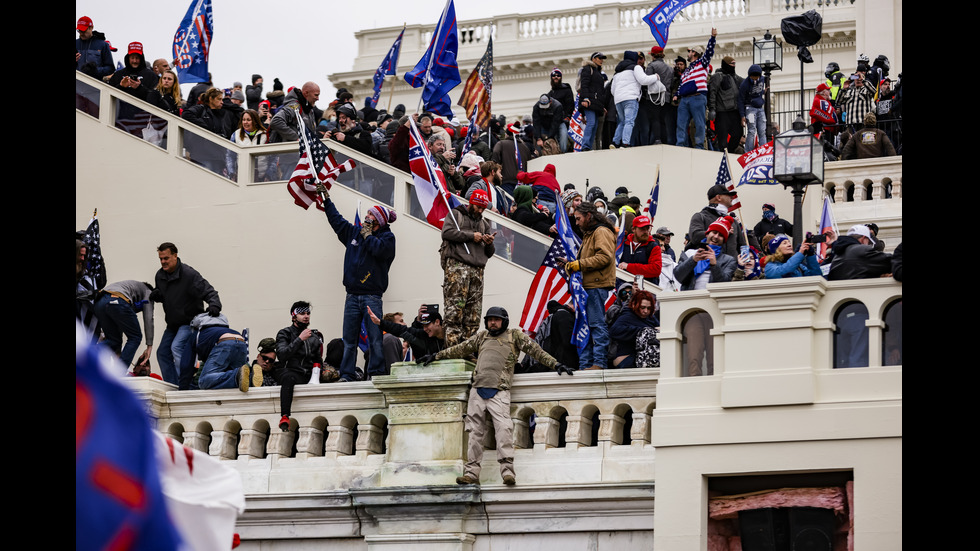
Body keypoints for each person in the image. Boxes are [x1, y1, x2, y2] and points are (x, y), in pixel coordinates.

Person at [418, 307, 574, 486]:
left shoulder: (514, 336)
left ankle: (507, 473)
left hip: (499, 391)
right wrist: (436, 356)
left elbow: (536, 351)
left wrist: (556, 364)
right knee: (474, 434)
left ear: (504, 321)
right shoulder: (482, 337)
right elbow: (460, 349)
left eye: (496, 319)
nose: (492, 323)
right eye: (490, 319)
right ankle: (471, 474)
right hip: (477, 390)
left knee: (503, 431)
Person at [321, 191, 397, 382]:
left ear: (379, 220)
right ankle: (347, 374)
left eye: (371, 214)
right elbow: (337, 221)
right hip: (352, 295)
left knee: (375, 339)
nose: (366, 216)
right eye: (367, 213)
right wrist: (326, 201)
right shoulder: (354, 233)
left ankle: (376, 374)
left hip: (372, 296)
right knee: (349, 340)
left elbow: (380, 251)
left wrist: (368, 236)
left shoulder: (388, 238)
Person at [151, 242, 221, 389]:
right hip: (172, 324)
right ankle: (173, 386)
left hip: (189, 321)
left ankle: (186, 385)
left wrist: (214, 305)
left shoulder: (189, 275)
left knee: (176, 347)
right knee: (162, 353)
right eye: (160, 259)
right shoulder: (160, 275)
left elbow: (209, 291)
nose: (163, 262)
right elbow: (165, 295)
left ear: (175, 256)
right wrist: (158, 295)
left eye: (166, 258)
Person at [559, 202, 616, 370]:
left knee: (596, 325)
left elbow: (604, 257)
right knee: (585, 327)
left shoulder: (601, 231)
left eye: (578, 219)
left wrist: (579, 264)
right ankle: (585, 365)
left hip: (596, 286)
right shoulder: (590, 233)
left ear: (588, 216)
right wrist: (570, 264)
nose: (576, 223)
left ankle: (599, 363)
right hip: (587, 287)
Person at [441, 189, 496, 347]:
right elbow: (447, 233)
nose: (480, 211)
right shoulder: (456, 215)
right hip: (458, 267)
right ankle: (452, 348)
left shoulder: (484, 224)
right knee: (454, 310)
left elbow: (490, 253)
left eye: (483, 209)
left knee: (473, 314)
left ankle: (467, 349)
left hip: (477, 271)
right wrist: (472, 236)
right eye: (478, 207)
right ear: (471, 203)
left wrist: (489, 242)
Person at [275, 302, 326, 431]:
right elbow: (282, 355)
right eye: (302, 313)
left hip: (308, 374)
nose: (306, 316)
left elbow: (317, 360)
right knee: (288, 378)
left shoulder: (314, 337)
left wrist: (319, 371)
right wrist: (299, 339)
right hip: (291, 372)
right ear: (294, 316)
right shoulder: (285, 333)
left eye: (308, 313)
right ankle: (285, 416)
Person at [93, 280, 155, 370]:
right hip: (117, 301)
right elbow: (148, 317)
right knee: (135, 337)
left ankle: (84, 354)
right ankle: (119, 372)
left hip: (99, 303)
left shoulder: (129, 286)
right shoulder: (148, 291)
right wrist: (149, 346)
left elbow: (121, 318)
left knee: (113, 340)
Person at [180, 313, 250, 392]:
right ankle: (251, 377)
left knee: (203, 381)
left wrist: (183, 389)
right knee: (242, 378)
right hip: (241, 341)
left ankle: (236, 375)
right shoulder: (224, 330)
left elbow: (186, 364)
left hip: (224, 342)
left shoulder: (197, 334)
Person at [674, 28, 717, 148]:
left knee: (699, 123)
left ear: (694, 53)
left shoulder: (702, 63)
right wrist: (676, 95)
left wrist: (713, 38)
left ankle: (699, 146)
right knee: (681, 124)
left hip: (698, 97)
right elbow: (682, 83)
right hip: (684, 99)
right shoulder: (687, 70)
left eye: (690, 51)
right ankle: (680, 145)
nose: (688, 54)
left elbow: (709, 52)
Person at [610, 51, 661, 148]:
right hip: (631, 98)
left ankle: (615, 142)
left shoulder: (617, 72)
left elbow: (612, 90)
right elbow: (643, 80)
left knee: (622, 122)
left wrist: (620, 95)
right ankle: (625, 143)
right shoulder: (636, 67)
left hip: (618, 100)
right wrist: (655, 77)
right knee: (629, 121)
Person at [675, 216, 737, 290]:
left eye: (721, 235)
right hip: (690, 296)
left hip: (713, 297)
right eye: (714, 232)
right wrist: (693, 260)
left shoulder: (729, 260)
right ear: (707, 234)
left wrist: (714, 265)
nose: (716, 236)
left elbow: (725, 285)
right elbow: (678, 277)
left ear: (723, 240)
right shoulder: (690, 253)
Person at [688, 184, 746, 258]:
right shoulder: (700, 216)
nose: (732, 197)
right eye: (728, 195)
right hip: (709, 263)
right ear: (718, 197)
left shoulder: (733, 222)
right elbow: (695, 237)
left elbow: (742, 246)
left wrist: (745, 260)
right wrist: (721, 231)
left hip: (732, 264)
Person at [609, 290, 660, 369]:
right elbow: (614, 330)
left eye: (649, 308)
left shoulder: (651, 318)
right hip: (627, 361)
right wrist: (643, 331)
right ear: (634, 305)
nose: (645, 311)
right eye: (642, 307)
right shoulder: (627, 315)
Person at [827, 225, 892, 280]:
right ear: (863, 239)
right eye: (869, 242)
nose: (869, 245)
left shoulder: (837, 255)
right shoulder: (861, 250)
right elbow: (890, 261)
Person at [708, 56, 744, 153]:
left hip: (735, 112)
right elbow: (712, 92)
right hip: (722, 112)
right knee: (722, 138)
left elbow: (747, 85)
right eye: (731, 64)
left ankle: (730, 152)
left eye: (734, 64)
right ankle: (724, 155)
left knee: (738, 134)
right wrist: (712, 109)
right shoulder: (717, 76)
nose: (734, 66)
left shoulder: (737, 78)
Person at [618, 215, 663, 284]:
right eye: (642, 229)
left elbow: (656, 269)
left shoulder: (653, 246)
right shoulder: (623, 244)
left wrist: (628, 267)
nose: (645, 232)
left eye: (647, 229)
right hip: (624, 287)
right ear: (633, 229)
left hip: (646, 288)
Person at [227, 109, 269, 181]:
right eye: (243, 120)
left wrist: (268, 175)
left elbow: (272, 158)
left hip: (261, 177)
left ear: (255, 121)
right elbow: (230, 156)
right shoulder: (236, 135)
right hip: (242, 176)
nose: (245, 122)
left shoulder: (265, 135)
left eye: (248, 120)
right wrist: (231, 173)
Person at [578, 52, 608, 151]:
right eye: (599, 58)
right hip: (589, 101)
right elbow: (584, 85)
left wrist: (602, 106)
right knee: (591, 123)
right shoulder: (587, 69)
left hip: (596, 103)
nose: (601, 60)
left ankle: (589, 146)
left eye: (602, 58)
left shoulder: (598, 72)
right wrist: (585, 98)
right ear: (593, 59)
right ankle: (585, 146)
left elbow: (600, 91)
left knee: (594, 125)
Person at [737, 64, 766, 150]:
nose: (755, 79)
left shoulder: (762, 79)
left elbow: (758, 92)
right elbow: (740, 100)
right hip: (750, 108)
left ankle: (762, 150)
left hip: (759, 108)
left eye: (756, 78)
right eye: (753, 78)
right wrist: (742, 116)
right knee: (752, 131)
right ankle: (749, 151)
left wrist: (763, 92)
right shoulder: (744, 84)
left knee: (761, 131)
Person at [547, 69, 575, 152]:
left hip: (563, 121)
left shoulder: (566, 90)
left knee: (563, 139)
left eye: (558, 75)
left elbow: (570, 104)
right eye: (554, 75)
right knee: (554, 142)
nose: (556, 77)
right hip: (552, 122)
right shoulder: (550, 94)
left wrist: (568, 117)